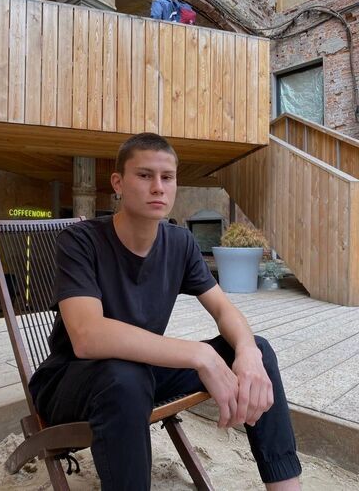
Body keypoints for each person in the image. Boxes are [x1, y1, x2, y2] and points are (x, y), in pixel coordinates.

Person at [29, 133, 302, 491]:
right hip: (72, 382)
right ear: (118, 183)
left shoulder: (179, 242)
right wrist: (200, 354)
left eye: (167, 177)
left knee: (258, 349)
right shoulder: (80, 240)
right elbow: (87, 336)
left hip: (140, 372)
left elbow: (223, 308)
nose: (158, 186)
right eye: (144, 175)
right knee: (125, 378)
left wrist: (247, 352)